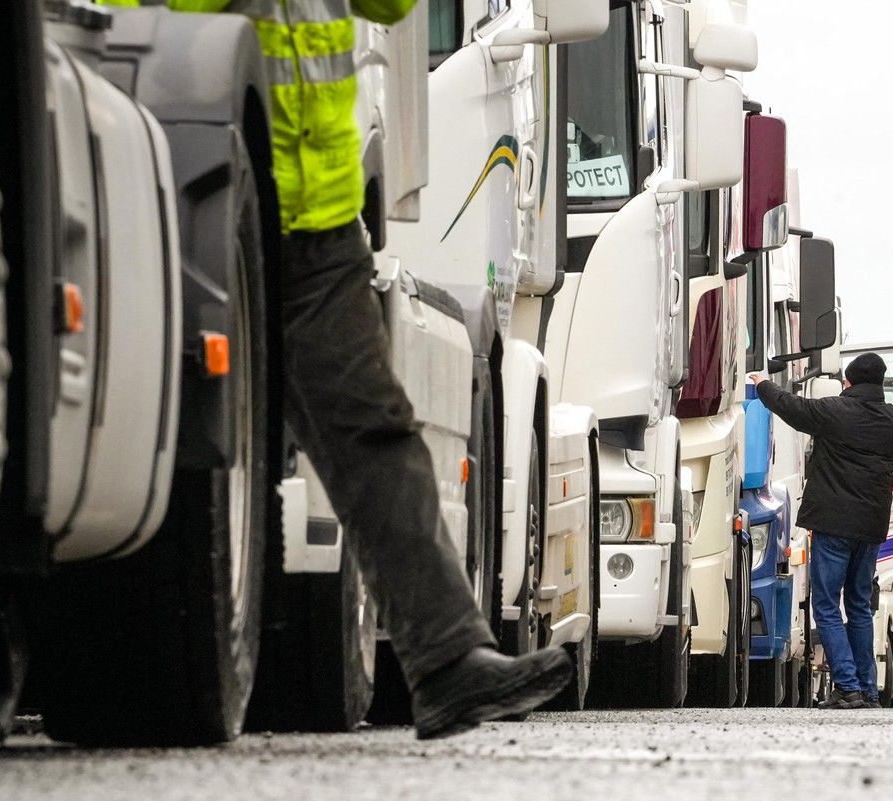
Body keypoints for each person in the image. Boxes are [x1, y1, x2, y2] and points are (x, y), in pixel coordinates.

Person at [103, 0, 571, 739]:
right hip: (199, 188)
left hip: (318, 218)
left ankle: (450, 660)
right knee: (185, 434)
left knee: (374, 431)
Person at [749, 353, 893, 710]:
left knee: (826, 604)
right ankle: (868, 691)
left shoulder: (833, 411)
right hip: (870, 527)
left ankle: (847, 686)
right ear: (882, 383)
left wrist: (761, 384)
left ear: (849, 382)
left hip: (832, 524)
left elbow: (790, 407)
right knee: (859, 605)